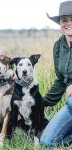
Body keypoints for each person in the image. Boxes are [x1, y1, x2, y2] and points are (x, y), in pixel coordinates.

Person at [40, 1, 72, 147]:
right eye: (64, 20)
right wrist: (41, 103)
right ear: (60, 23)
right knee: (47, 142)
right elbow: (61, 80)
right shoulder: (59, 46)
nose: (68, 23)